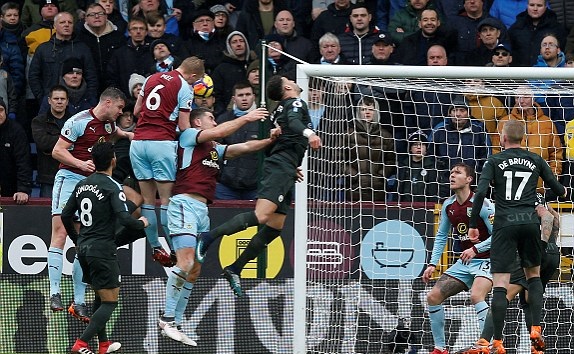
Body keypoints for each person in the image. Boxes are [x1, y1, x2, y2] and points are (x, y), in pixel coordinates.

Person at [195, 75, 321, 296]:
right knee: (262, 216)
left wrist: (289, 165)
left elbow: (276, 145)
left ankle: (235, 268)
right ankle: (208, 237)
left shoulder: (280, 110)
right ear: (288, 87)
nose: (292, 79)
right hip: (280, 169)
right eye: (288, 79)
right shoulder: (296, 103)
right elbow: (294, 123)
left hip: (285, 168)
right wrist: (310, 134)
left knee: (274, 227)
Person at [157, 106, 274, 344]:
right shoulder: (189, 135)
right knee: (186, 261)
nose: (215, 121)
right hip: (184, 204)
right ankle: (167, 318)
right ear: (198, 122)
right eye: (211, 118)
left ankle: (177, 322)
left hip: (202, 210)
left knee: (195, 270)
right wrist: (247, 118)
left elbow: (245, 148)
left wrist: (269, 139)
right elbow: (222, 129)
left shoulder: (214, 150)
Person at [468, 119, 567, 354]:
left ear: (503, 138)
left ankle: (496, 342)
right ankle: (536, 329)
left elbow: (481, 191)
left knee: (501, 284)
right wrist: (558, 191)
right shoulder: (535, 159)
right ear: (523, 138)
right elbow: (558, 188)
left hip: (504, 225)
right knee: (533, 277)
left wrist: (473, 224)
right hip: (531, 224)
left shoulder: (494, 160)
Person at [48, 87, 133, 322]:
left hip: (89, 185)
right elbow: (57, 151)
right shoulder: (79, 121)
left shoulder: (107, 125)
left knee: (83, 239)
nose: (120, 112)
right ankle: (54, 292)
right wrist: (79, 163)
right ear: (107, 103)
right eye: (118, 108)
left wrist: (128, 135)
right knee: (60, 232)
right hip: (69, 178)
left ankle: (78, 300)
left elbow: (113, 132)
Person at [62, 141, 148, 354]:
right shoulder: (112, 186)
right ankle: (80, 344)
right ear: (113, 161)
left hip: (84, 249)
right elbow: (124, 219)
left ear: (93, 162)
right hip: (102, 249)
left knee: (101, 297)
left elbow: (65, 215)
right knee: (110, 302)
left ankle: (103, 345)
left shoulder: (82, 184)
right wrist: (142, 224)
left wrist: (76, 240)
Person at [461, 193, 561, 354]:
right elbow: (555, 217)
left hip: (531, 251)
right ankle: (537, 349)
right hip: (553, 254)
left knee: (502, 296)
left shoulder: (515, 194)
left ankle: (483, 344)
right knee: (528, 299)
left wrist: (540, 246)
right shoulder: (537, 194)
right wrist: (550, 244)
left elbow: (547, 216)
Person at [130, 56, 204, 267]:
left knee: (147, 201)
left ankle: (155, 248)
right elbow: (183, 124)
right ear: (193, 75)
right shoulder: (184, 87)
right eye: (195, 81)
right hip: (161, 143)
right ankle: (174, 250)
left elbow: (136, 112)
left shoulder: (151, 78)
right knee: (166, 200)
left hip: (138, 142)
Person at [422, 163, 495, 354]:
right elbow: (441, 237)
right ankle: (440, 348)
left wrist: (476, 249)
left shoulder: (484, 205)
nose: (452, 175)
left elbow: (500, 235)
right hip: (465, 263)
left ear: (469, 179)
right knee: (433, 296)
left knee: (476, 296)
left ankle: (486, 345)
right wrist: (432, 264)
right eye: (451, 172)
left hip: (489, 260)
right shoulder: (448, 205)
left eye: (457, 173)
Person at [28, 12, 98, 104]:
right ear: (55, 26)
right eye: (62, 22)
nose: (66, 25)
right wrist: (43, 98)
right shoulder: (43, 49)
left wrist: (89, 99)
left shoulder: (83, 48)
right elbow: (33, 76)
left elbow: (91, 76)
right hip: (50, 102)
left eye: (70, 22)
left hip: (79, 103)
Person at [215, 82, 266, 200]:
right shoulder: (223, 119)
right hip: (225, 185)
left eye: (248, 94)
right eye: (240, 95)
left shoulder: (264, 121)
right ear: (234, 99)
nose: (244, 98)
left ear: (254, 96)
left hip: (255, 186)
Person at [431, 95, 491, 174]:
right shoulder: (439, 130)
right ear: (450, 113)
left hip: (471, 180)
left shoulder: (479, 131)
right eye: (455, 110)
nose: (458, 114)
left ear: (469, 113)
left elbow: (486, 158)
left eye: (462, 110)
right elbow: (430, 156)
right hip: (443, 180)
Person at [76, 2, 126, 94]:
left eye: (100, 14)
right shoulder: (79, 39)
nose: (97, 17)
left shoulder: (119, 37)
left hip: (115, 89)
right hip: (87, 90)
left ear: (106, 16)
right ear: (85, 19)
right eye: (92, 14)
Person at [31, 85, 71, 198]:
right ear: (49, 100)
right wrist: (68, 141)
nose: (59, 102)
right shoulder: (38, 121)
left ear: (67, 101)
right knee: (47, 213)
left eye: (62, 99)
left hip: (70, 174)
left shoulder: (75, 121)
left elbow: (80, 144)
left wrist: (57, 143)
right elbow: (44, 143)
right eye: (56, 98)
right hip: (48, 177)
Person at [507, 0, 567, 67]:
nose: (535, 9)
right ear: (527, 6)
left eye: (539, 5)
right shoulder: (516, 27)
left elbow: (562, 52)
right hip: (520, 73)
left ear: (545, 6)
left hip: (547, 74)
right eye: (532, 5)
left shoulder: (556, 28)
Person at [397, 130, 445, 203]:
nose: (418, 147)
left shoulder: (434, 166)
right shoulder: (403, 166)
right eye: (415, 144)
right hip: (405, 207)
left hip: (426, 207)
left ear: (426, 149)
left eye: (422, 145)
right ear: (410, 148)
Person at [0, 97, 32, 203]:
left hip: (12, 190)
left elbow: (23, 162)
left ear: (6, 111)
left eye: (1, 110)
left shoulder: (16, 131)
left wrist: (23, 189)